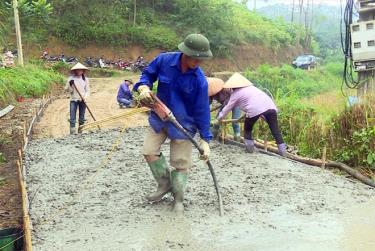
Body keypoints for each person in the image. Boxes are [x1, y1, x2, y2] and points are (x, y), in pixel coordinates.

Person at [133, 33, 213, 213]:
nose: (198, 63)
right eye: (196, 59)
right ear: (186, 53)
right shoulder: (164, 61)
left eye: (201, 60)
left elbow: (202, 111)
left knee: (180, 163)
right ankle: (164, 185)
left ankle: (178, 199)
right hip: (159, 118)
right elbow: (147, 74)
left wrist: (205, 140)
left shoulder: (199, 81)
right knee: (148, 151)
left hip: (184, 127)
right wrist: (144, 87)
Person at [214, 73, 287, 156]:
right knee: (275, 130)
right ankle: (283, 153)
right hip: (271, 107)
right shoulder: (252, 88)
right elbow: (260, 105)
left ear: (232, 87)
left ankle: (249, 149)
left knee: (248, 129)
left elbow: (227, 108)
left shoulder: (235, 94)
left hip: (254, 110)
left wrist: (218, 119)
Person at [207, 77, 242, 141]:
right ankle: (213, 137)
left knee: (235, 122)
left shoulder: (226, 89)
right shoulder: (211, 93)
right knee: (217, 121)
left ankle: (237, 139)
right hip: (224, 105)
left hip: (235, 104)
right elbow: (208, 103)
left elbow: (234, 97)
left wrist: (226, 104)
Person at [65, 63, 90, 135]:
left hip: (83, 100)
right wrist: (70, 85)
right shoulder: (71, 79)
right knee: (72, 117)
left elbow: (88, 90)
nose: (79, 71)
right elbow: (69, 91)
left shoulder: (85, 79)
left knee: (82, 117)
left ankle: (80, 131)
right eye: (78, 70)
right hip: (74, 99)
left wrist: (84, 97)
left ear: (83, 71)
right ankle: (72, 133)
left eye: (81, 70)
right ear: (75, 71)